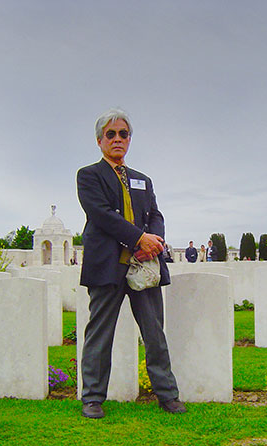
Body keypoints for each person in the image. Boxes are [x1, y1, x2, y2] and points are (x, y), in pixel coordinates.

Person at [76, 108, 185, 419]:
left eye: (123, 134)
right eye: (111, 134)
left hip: (143, 266)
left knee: (154, 333)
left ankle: (167, 395)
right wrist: (140, 238)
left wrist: (153, 242)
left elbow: (155, 216)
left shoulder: (142, 180)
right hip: (107, 266)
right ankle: (93, 398)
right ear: (100, 141)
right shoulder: (89, 176)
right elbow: (101, 214)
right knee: (100, 334)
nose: (118, 139)